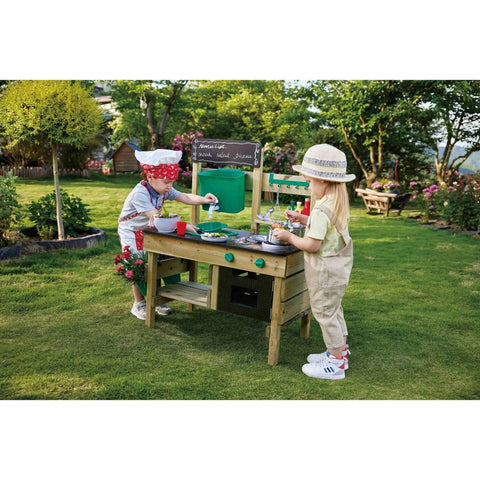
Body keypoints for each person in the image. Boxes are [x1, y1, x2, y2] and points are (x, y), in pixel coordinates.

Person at [273, 144, 355, 380]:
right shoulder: (335, 203)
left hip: (325, 271)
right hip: (338, 269)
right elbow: (325, 226)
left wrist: (289, 236)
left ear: (323, 181)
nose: (308, 186)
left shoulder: (322, 210)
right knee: (334, 310)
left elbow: (312, 245)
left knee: (324, 313)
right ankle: (339, 353)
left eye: (309, 181)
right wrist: (303, 218)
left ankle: (336, 365)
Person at [118, 148, 218, 320]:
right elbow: (156, 218)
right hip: (131, 231)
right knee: (139, 265)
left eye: (172, 182)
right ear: (150, 177)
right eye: (166, 182)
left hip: (148, 229)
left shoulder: (162, 188)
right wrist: (183, 225)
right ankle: (139, 304)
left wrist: (204, 199)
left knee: (156, 262)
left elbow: (185, 197)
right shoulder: (139, 194)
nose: (169, 186)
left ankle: (156, 300)